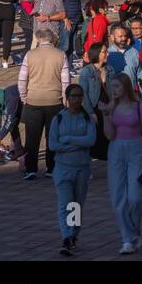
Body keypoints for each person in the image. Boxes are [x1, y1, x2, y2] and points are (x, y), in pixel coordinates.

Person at [103, 71, 142, 254]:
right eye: (111, 87)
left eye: (117, 86)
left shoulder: (139, 106)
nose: (114, 90)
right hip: (116, 150)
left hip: (136, 149)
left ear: (125, 86)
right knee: (118, 198)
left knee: (135, 198)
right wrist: (106, 115)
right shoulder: (112, 106)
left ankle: (133, 230)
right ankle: (128, 238)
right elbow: (109, 135)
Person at [49, 82, 98, 256]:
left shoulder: (87, 119)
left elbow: (90, 140)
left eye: (79, 96)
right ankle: (67, 236)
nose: (76, 99)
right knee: (66, 204)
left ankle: (74, 235)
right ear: (67, 98)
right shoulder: (58, 118)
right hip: (63, 169)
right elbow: (53, 144)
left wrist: (68, 140)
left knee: (76, 205)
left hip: (82, 169)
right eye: (73, 96)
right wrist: (77, 144)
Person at [18, 27, 70, 179]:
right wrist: (65, 99)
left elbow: (22, 79)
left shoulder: (30, 55)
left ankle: (30, 169)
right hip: (55, 101)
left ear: (39, 39)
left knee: (32, 137)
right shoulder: (61, 55)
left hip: (33, 100)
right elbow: (65, 81)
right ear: (52, 39)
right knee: (52, 137)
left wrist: (24, 97)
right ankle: (51, 168)